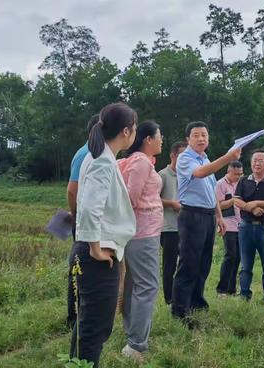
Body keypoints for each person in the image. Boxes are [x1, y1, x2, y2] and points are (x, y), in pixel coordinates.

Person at [69, 102, 137, 368]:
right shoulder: (102, 161)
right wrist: (94, 246)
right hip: (98, 255)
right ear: (126, 131)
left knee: (90, 324)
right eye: (133, 129)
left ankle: (77, 364)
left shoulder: (101, 156)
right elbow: (88, 207)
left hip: (100, 250)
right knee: (95, 327)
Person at [171, 121, 241, 324]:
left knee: (203, 263)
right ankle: (180, 310)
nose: (201, 138)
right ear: (188, 139)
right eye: (196, 135)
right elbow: (200, 174)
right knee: (188, 263)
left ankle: (197, 303)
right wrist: (228, 157)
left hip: (208, 215)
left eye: (204, 135)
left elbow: (210, 191)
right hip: (192, 216)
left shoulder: (205, 159)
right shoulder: (186, 159)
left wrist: (219, 216)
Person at [118, 121, 164, 361]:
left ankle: (132, 335)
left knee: (134, 285)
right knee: (147, 286)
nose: (161, 139)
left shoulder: (136, 161)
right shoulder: (141, 161)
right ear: (148, 139)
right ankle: (135, 345)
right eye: (159, 136)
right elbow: (130, 198)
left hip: (141, 232)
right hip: (142, 233)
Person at [234, 150, 264, 304]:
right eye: (254, 160)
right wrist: (251, 208)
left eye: (260, 160)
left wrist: (258, 203)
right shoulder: (243, 181)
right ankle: (244, 295)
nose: (257, 163)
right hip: (246, 227)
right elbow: (236, 200)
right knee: (245, 265)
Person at [66, 114, 99, 328]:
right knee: (79, 266)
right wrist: (77, 215)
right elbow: (72, 189)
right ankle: (74, 316)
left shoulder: (96, 153)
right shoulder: (86, 153)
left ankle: (86, 312)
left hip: (89, 220)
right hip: (83, 220)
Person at [159, 141, 188, 305]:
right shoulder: (162, 175)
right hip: (169, 226)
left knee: (184, 263)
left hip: (187, 226)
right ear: (172, 155)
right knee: (169, 264)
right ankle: (169, 299)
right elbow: (152, 198)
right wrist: (171, 204)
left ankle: (182, 296)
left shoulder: (189, 175)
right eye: (182, 155)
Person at [215, 161, 244, 297]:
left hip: (241, 224)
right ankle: (222, 289)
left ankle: (232, 289)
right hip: (228, 224)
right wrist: (232, 200)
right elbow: (218, 205)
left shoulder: (241, 183)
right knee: (230, 255)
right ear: (229, 171)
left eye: (240, 174)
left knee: (238, 257)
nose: (237, 176)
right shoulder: (220, 184)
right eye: (235, 174)